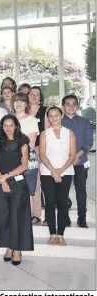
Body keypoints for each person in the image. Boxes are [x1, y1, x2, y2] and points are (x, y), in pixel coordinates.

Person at [0, 114, 33, 266]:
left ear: (16, 125)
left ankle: (17, 250)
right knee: (4, 216)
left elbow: (24, 165)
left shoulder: (22, 141)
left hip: (18, 184)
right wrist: (1, 179)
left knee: (17, 217)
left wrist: (6, 177)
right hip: (1, 183)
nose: (8, 128)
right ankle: (9, 246)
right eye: (5, 125)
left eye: (11, 125)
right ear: (2, 127)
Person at [40, 106, 76, 246]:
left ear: (61, 116)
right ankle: (52, 233)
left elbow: (72, 155)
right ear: (48, 118)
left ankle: (60, 234)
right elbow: (42, 155)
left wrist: (60, 170)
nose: (54, 118)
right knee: (50, 202)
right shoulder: (44, 134)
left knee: (62, 202)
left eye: (56, 115)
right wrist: (53, 171)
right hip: (47, 172)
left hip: (65, 172)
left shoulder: (70, 133)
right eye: (51, 116)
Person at [62, 94, 93, 228]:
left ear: (78, 106)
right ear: (63, 107)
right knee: (63, 191)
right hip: (63, 162)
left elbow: (88, 142)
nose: (71, 107)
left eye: (74, 104)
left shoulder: (85, 122)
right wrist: (69, 158)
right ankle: (65, 218)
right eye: (67, 104)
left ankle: (82, 218)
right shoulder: (58, 122)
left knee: (81, 189)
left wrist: (76, 155)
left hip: (80, 161)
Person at [13, 92, 40, 222]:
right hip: (11, 159)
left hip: (28, 159)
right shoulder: (9, 119)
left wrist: (14, 145)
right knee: (14, 189)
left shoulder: (31, 120)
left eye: (21, 101)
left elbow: (32, 142)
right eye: (16, 101)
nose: (18, 104)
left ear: (26, 104)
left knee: (27, 190)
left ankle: (27, 219)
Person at [28, 86, 50, 225]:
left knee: (47, 184)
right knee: (34, 184)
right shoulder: (24, 111)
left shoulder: (45, 111)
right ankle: (35, 214)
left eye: (37, 94)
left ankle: (49, 215)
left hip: (43, 151)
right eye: (32, 94)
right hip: (29, 153)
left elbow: (47, 133)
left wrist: (41, 150)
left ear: (40, 97)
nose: (34, 97)